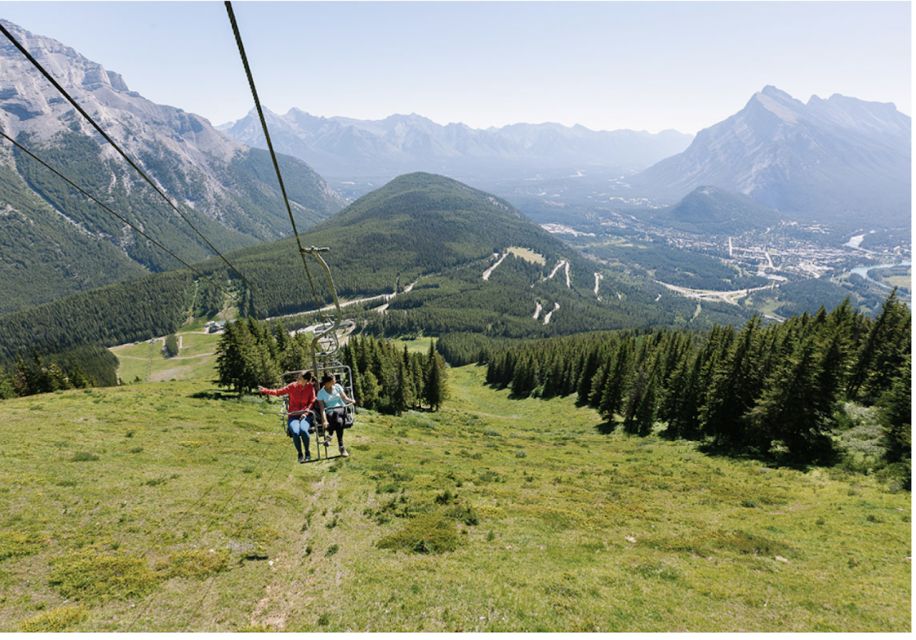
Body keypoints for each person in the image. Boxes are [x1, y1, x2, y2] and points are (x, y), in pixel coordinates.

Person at [259, 371, 316, 463]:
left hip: (305, 415)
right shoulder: (292, 386)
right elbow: (278, 392)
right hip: (293, 416)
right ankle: (300, 453)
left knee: (304, 430)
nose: (297, 379)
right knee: (296, 432)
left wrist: (306, 412)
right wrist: (265, 390)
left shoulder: (310, 387)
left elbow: (312, 401)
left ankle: (307, 452)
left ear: (305, 380)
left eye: (300, 378)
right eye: (298, 377)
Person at [316, 373, 355, 458]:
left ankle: (330, 435)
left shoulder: (337, 387)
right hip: (330, 412)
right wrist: (325, 420)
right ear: (328, 382)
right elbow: (322, 408)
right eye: (333, 379)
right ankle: (341, 447)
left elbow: (344, 398)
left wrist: (351, 400)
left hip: (341, 409)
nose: (335, 381)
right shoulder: (321, 393)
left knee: (336, 413)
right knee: (339, 422)